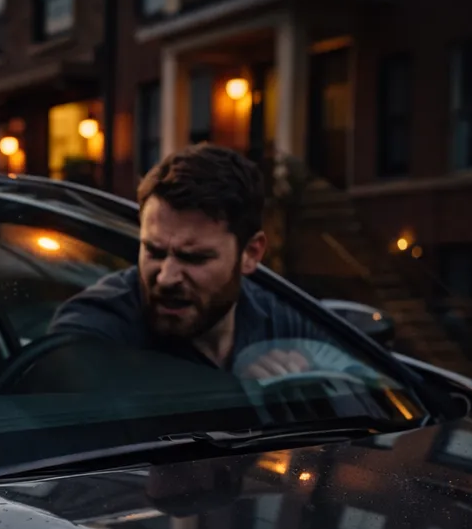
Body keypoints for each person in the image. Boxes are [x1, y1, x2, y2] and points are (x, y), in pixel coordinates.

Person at [48, 144, 338, 381]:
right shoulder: (96, 331)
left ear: (250, 254)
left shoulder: (279, 318)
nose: (166, 277)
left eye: (194, 258)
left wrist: (307, 370)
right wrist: (237, 396)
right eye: (154, 252)